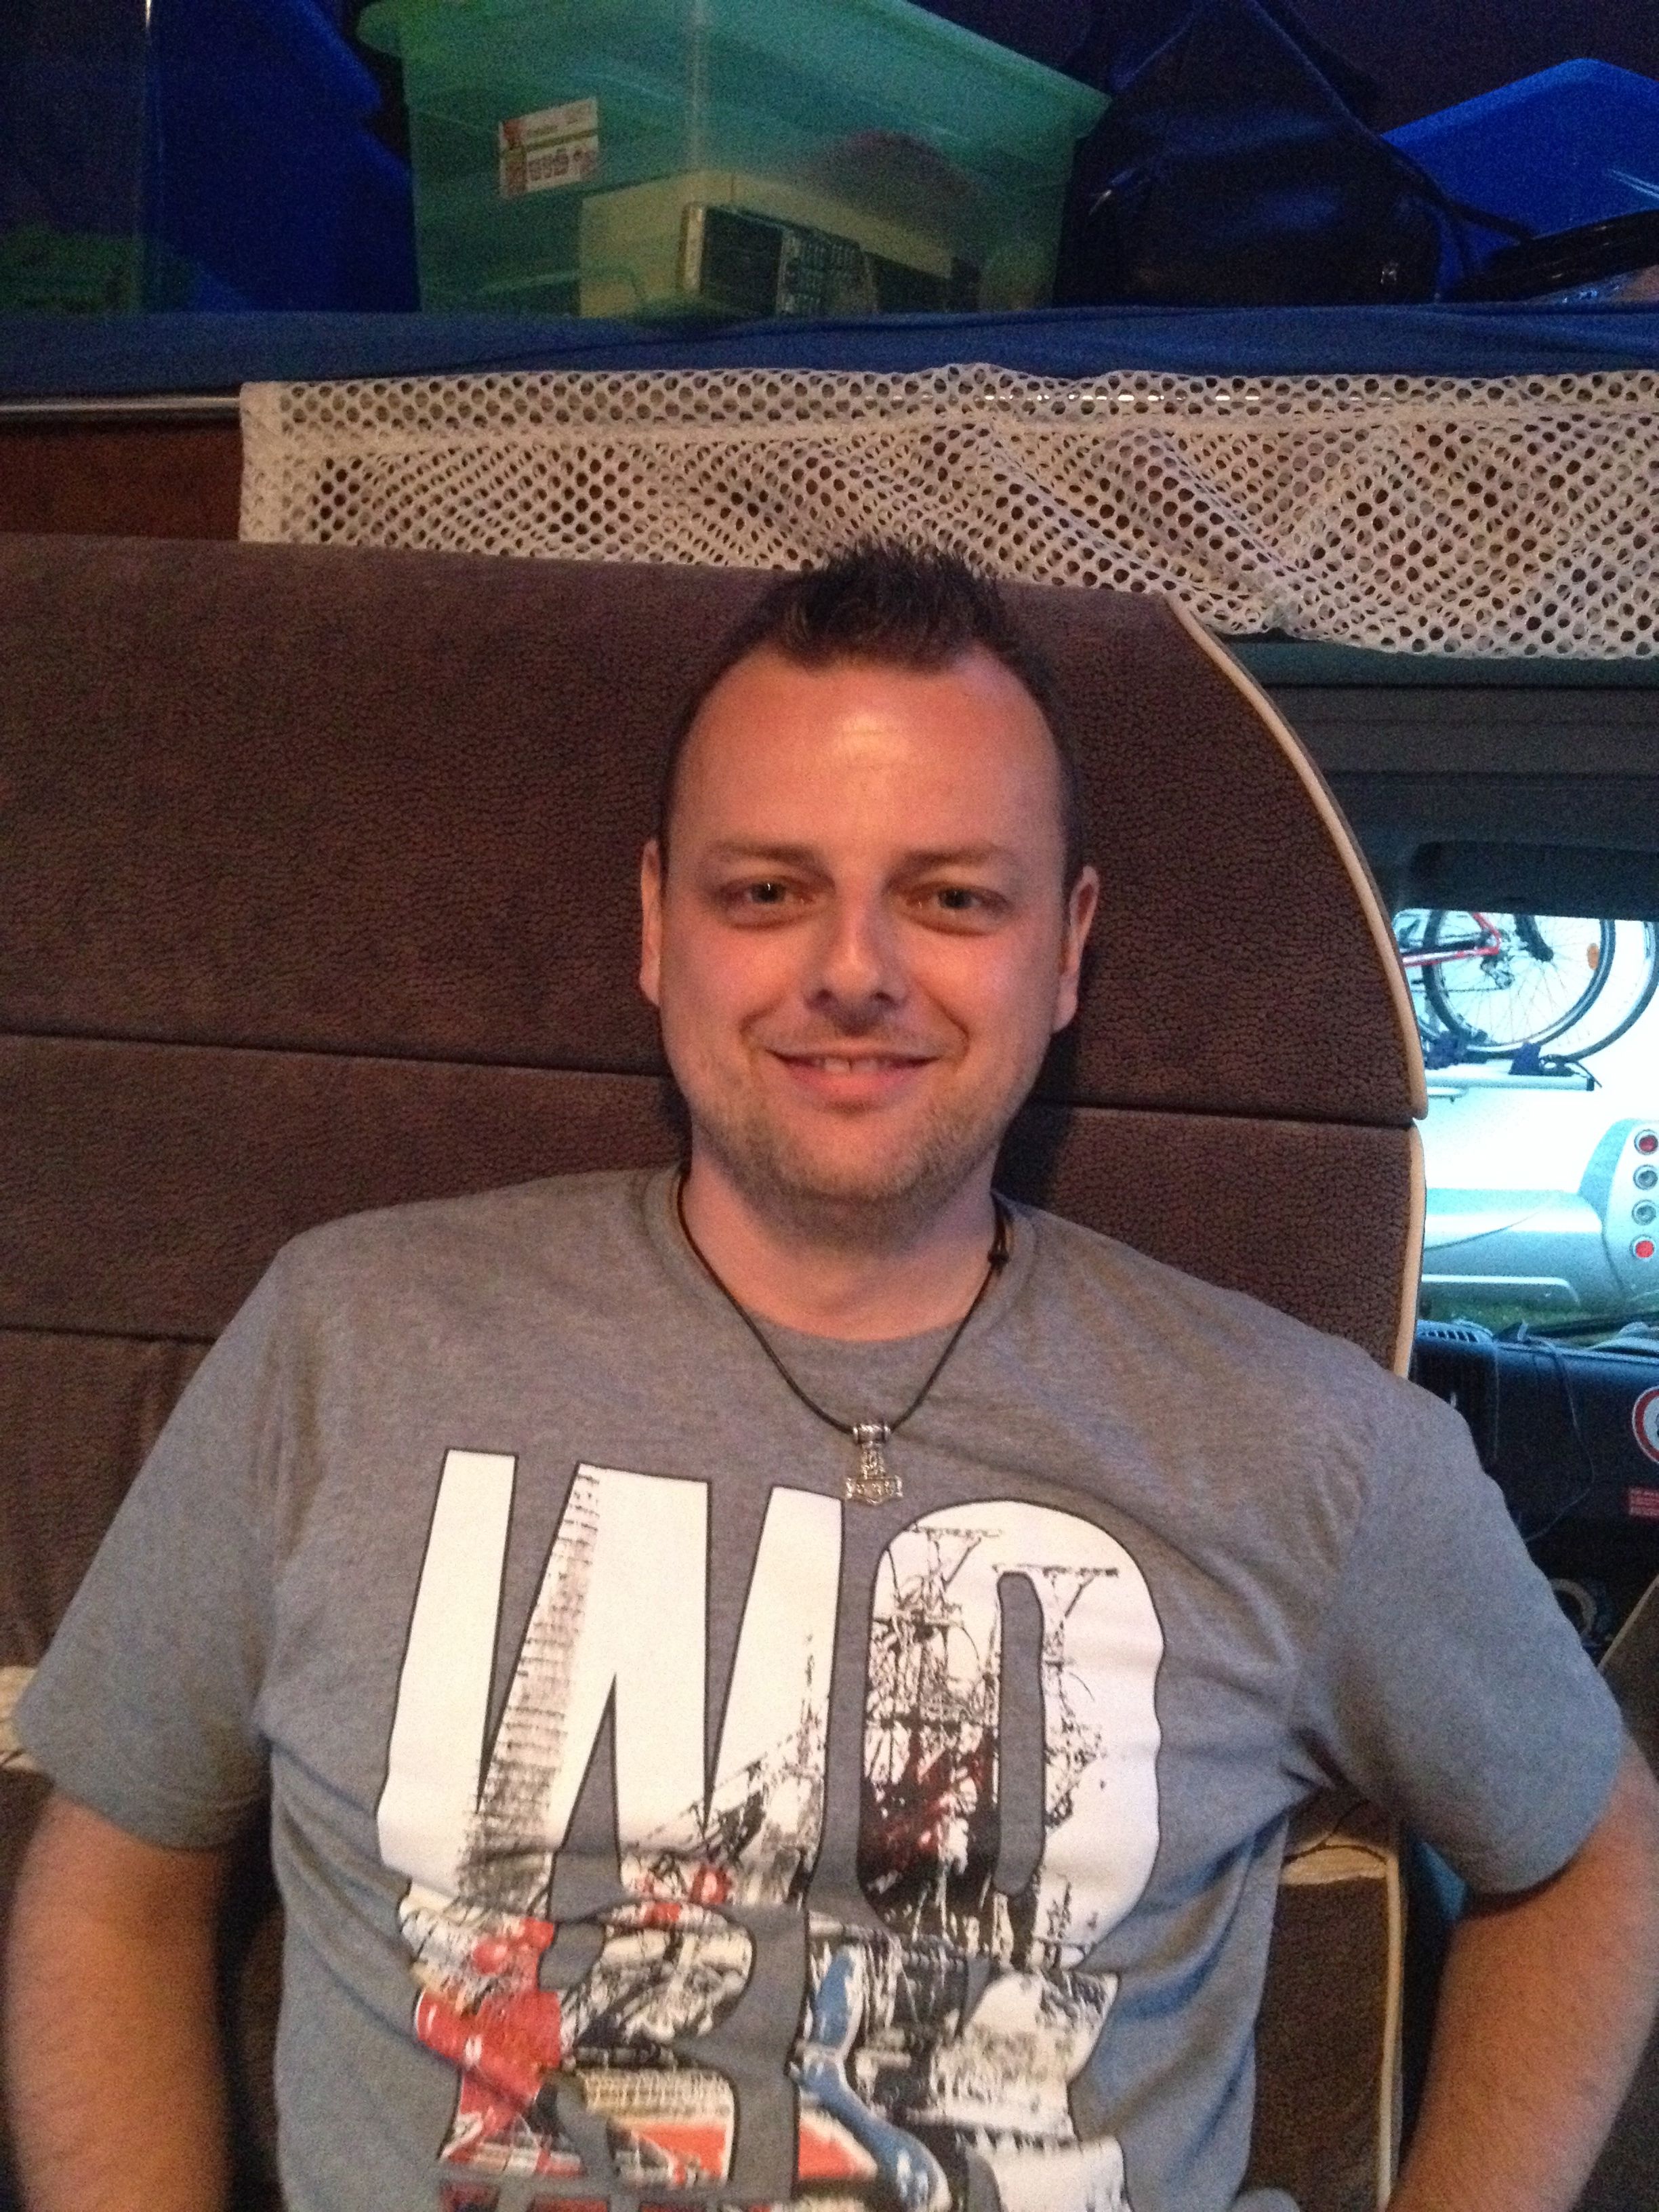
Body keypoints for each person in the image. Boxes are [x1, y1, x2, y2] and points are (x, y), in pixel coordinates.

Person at [7, 542, 1659, 2212]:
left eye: (952, 897)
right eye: (766, 892)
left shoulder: (1317, 1450)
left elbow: (1596, 1855)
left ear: (1065, 950)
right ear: (659, 927)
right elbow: (115, 1881)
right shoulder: (344, 1343)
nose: (854, 968)